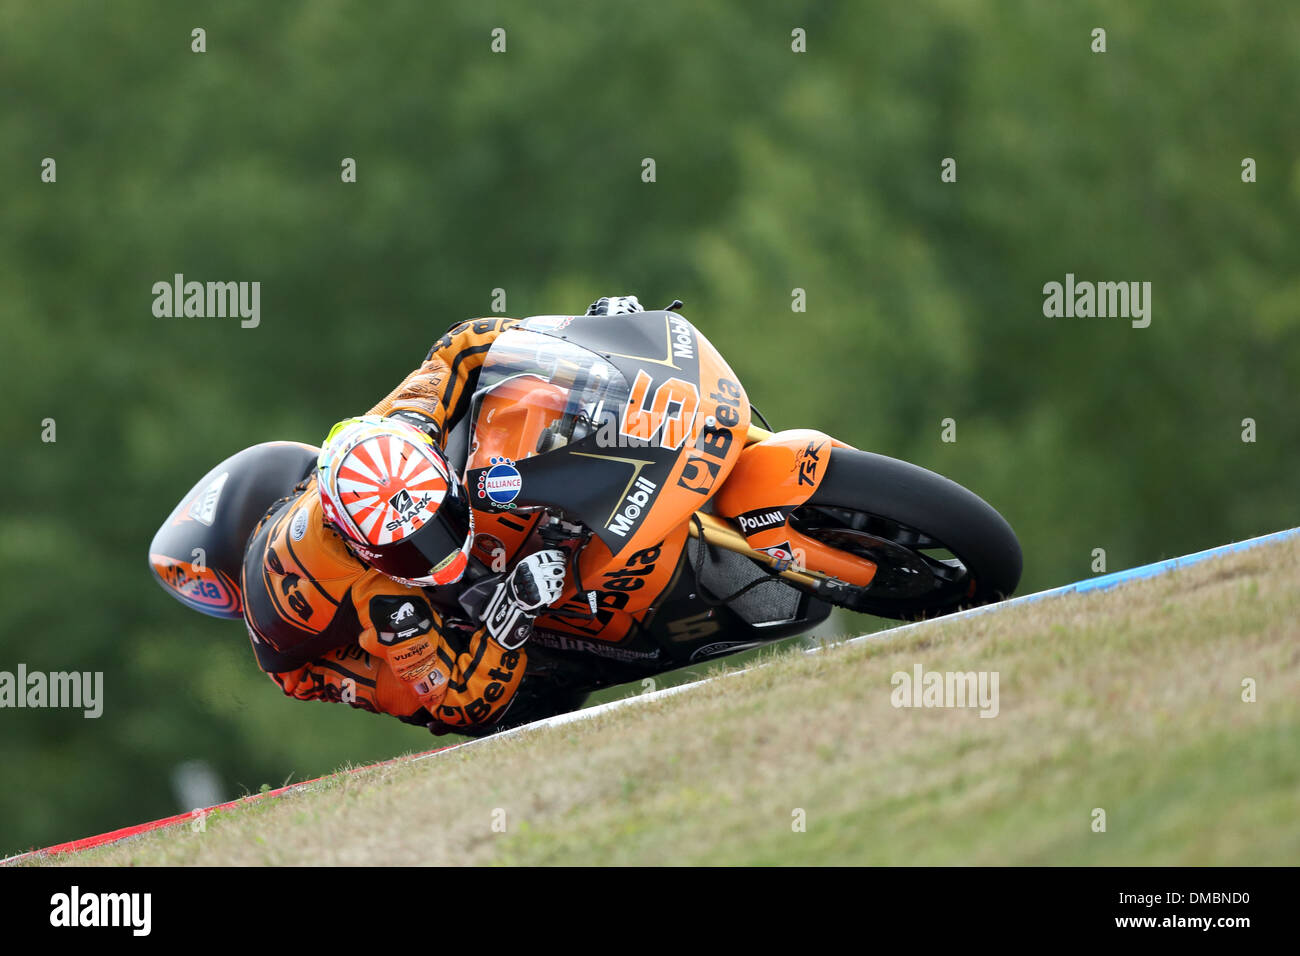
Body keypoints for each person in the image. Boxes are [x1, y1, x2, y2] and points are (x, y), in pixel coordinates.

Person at [240, 296, 643, 735]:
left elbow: (462, 344)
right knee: (462, 706)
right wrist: (515, 610)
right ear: (365, 551)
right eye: (410, 551)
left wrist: (583, 338)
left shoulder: (406, 421)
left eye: (441, 520)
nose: (444, 555)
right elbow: (462, 702)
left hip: (295, 513)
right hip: (310, 654)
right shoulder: (383, 601)